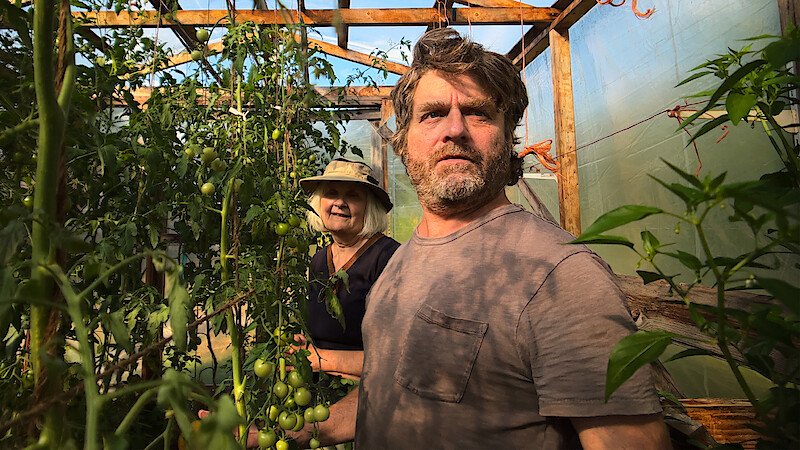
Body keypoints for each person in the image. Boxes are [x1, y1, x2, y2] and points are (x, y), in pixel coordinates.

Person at [293, 28, 671, 449]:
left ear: (508, 138)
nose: (455, 129)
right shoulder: (403, 260)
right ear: (403, 142)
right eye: (432, 114)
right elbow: (386, 393)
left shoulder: (560, 277)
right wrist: (298, 432)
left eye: (478, 113)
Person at [298, 158, 400, 380]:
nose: (340, 202)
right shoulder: (318, 260)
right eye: (331, 193)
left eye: (353, 195)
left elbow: (396, 358)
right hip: (316, 390)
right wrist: (305, 344)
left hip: (365, 394)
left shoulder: (390, 258)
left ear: (369, 207)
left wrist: (319, 359)